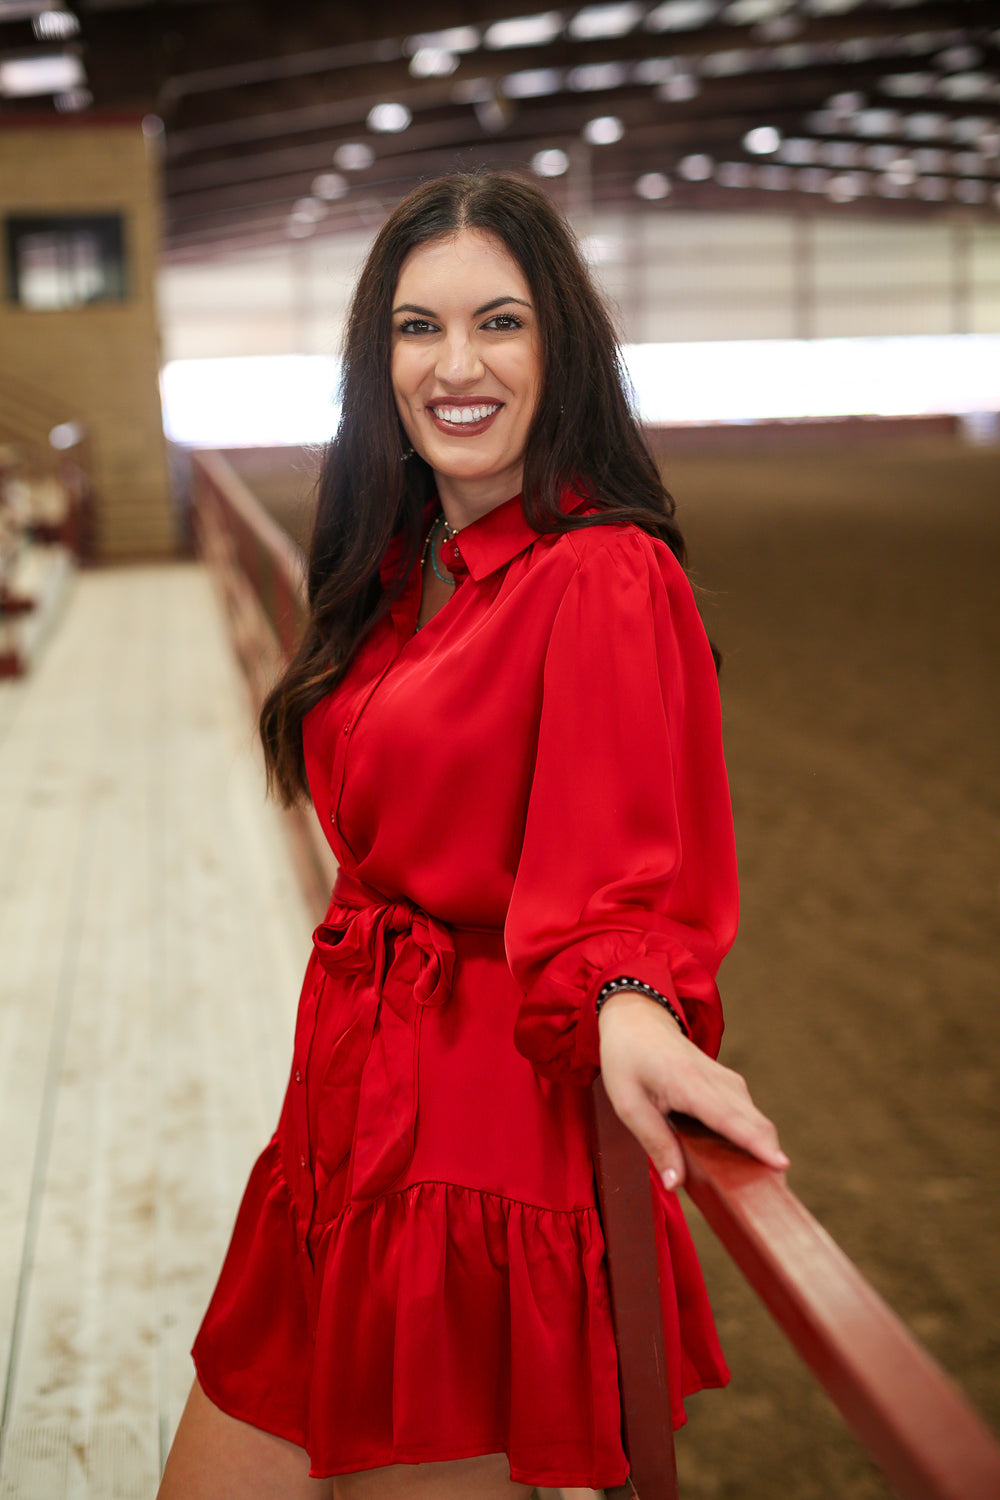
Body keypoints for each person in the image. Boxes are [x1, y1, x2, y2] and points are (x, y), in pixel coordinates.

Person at [158, 169, 788, 1500]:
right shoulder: (401, 577)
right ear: (376, 358)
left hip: (467, 1164)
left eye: (498, 323)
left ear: (559, 348)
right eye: (417, 327)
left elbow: (620, 864)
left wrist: (628, 1002)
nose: (457, 364)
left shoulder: (603, 573)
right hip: (341, 1121)